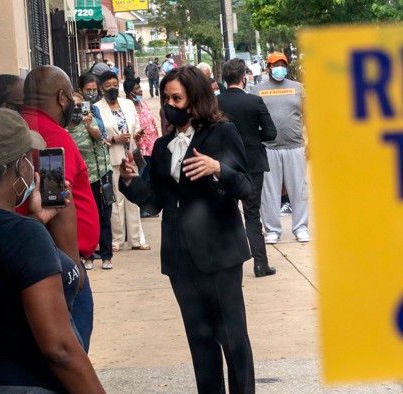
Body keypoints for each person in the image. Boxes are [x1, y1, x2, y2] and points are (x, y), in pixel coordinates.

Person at [0, 108, 104, 393]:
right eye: (28, 157)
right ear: (16, 167)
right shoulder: (24, 235)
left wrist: (37, 221)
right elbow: (60, 350)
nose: (32, 164)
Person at [118, 66, 255, 393]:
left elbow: (246, 187)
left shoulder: (222, 134)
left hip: (219, 255)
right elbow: (156, 203)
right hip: (181, 259)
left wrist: (218, 168)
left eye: (176, 98)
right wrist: (130, 182)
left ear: (194, 100)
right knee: (200, 343)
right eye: (166, 98)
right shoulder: (164, 147)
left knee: (232, 340)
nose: (168, 105)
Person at [18, 65, 100, 352]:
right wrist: (73, 267)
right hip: (57, 267)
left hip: (35, 259)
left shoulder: (20, 128)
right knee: (70, 352)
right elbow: (59, 204)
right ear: (63, 98)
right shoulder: (51, 136)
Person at [219, 58, 278, 278]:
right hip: (252, 163)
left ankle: (228, 264)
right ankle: (260, 264)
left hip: (224, 164)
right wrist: (253, 139)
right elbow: (271, 133)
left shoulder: (216, 103)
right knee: (252, 215)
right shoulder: (255, 102)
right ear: (244, 77)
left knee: (227, 213)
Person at [251, 51, 310, 243]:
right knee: (269, 192)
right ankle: (272, 230)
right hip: (268, 148)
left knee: (299, 190)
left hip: (295, 146)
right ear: (268, 68)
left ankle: (300, 227)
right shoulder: (257, 90)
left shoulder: (297, 88)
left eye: (283, 65)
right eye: (276, 65)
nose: (280, 68)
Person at [93, 71, 150, 253]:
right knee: (115, 199)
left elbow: (134, 127)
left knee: (133, 198)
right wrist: (114, 138)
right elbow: (97, 135)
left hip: (130, 156)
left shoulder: (127, 104)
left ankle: (136, 238)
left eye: (115, 84)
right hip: (112, 158)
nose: (112, 88)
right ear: (101, 88)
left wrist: (136, 135)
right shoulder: (97, 108)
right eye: (108, 85)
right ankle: (116, 239)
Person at [68, 91, 114, 271]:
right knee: (83, 219)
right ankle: (87, 256)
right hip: (78, 180)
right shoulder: (63, 126)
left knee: (103, 217)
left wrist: (88, 125)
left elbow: (97, 135)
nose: (76, 109)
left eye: (79, 105)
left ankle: (106, 255)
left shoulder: (91, 121)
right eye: (72, 105)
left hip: (98, 176)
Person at [124, 77, 160, 217]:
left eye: (139, 88)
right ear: (129, 92)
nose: (140, 91)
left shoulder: (143, 104)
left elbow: (152, 123)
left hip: (151, 147)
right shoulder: (127, 107)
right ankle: (141, 209)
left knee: (149, 177)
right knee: (141, 178)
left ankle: (146, 207)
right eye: (136, 89)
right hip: (139, 150)